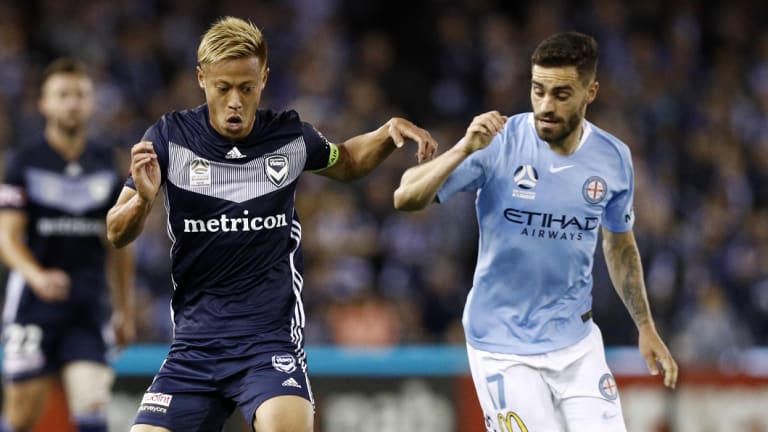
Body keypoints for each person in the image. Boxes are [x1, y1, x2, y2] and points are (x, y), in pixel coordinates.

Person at [105, 16, 437, 432]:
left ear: (263, 78)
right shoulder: (169, 138)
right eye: (222, 87)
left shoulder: (289, 137)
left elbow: (347, 160)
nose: (235, 102)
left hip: (268, 343)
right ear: (201, 78)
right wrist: (142, 202)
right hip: (194, 349)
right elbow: (116, 232)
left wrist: (387, 134)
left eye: (246, 87)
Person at [394, 32, 678, 431]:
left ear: (590, 92)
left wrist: (645, 326)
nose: (546, 105)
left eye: (562, 94)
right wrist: (463, 148)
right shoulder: (499, 143)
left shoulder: (614, 159)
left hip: (577, 345)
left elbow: (619, 243)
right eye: (538, 90)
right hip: (502, 348)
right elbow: (405, 196)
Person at [0, 58, 136, 432]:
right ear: (44, 104)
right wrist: (36, 275)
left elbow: (120, 242)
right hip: (33, 304)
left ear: (91, 103)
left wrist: (123, 308)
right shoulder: (23, 163)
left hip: (88, 304)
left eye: (80, 94)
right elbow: (7, 236)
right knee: (23, 414)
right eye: (62, 95)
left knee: (92, 409)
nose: (72, 103)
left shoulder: (107, 163)